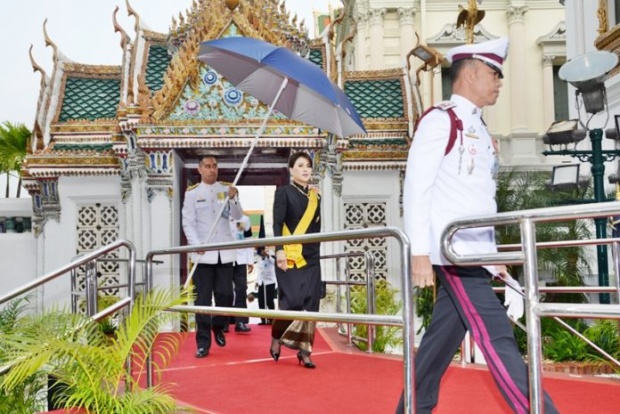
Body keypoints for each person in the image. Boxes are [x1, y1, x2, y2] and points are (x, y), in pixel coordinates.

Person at [396, 38, 559, 413]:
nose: (499, 82)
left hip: (474, 253)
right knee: (498, 338)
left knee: (440, 340)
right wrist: (419, 251)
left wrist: (492, 256)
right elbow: (417, 187)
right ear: (469, 74)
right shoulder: (441, 120)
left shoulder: (479, 129)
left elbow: (479, 199)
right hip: (453, 252)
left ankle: (411, 409)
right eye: (493, 74)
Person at [182, 154, 243, 359]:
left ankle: (218, 326)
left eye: (215, 166)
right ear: (200, 170)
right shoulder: (192, 194)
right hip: (203, 256)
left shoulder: (226, 189)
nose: (212, 169)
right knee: (203, 301)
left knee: (226, 296)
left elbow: (237, 216)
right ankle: (203, 343)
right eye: (207, 166)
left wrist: (234, 198)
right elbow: (188, 222)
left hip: (224, 254)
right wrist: (196, 244)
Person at [269, 152, 322, 369]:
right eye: (300, 165)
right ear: (291, 170)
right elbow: (277, 223)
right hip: (289, 256)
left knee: (311, 303)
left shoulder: (315, 196)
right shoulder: (284, 193)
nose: (305, 169)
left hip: (311, 257)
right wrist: (279, 250)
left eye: (308, 166)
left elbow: (317, 228)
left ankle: (305, 351)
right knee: (291, 301)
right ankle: (276, 337)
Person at [228, 214, 253, 333]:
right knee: (225, 291)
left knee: (241, 289)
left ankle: (240, 321)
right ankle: (224, 322)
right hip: (225, 259)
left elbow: (248, 240)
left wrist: (250, 261)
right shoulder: (222, 218)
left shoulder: (245, 219)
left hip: (241, 258)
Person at [255, 246, 277, 325]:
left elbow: (274, 262)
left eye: (262, 250)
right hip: (262, 281)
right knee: (261, 301)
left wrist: (268, 255)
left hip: (270, 281)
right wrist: (257, 282)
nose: (262, 252)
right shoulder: (259, 259)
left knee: (269, 301)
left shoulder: (270, 253)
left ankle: (271, 319)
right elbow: (259, 271)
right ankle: (263, 320)